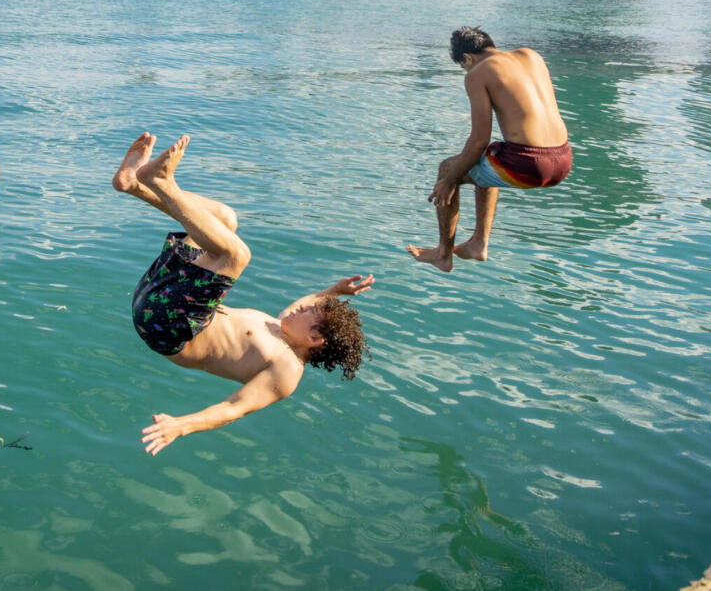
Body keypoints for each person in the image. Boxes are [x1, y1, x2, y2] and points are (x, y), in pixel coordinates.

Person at [112, 132, 372, 455]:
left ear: (315, 340)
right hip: (160, 299)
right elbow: (306, 304)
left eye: (308, 314)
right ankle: (135, 183)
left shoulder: (286, 369)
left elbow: (235, 407)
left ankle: (162, 181)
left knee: (238, 256)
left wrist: (181, 425)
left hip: (168, 326)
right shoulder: (280, 328)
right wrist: (333, 291)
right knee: (225, 219)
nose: (300, 308)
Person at [407, 26, 571, 273]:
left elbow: (478, 140)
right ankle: (479, 242)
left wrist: (448, 181)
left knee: (448, 167)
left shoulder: (477, 73)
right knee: (490, 156)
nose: (467, 71)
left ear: (468, 59)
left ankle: (443, 254)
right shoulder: (531, 56)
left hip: (529, 165)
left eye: (464, 67)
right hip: (564, 159)